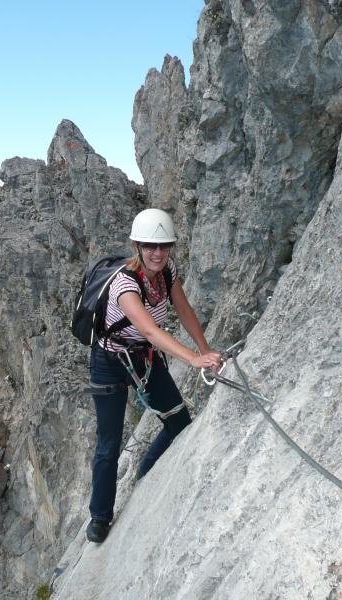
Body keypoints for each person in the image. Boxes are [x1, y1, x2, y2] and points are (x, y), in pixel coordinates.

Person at [86, 208, 222, 543]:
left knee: (178, 421)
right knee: (109, 443)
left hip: (144, 359)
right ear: (136, 246)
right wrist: (193, 359)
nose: (157, 253)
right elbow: (148, 329)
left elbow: (184, 309)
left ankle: (147, 475)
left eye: (163, 246)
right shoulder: (125, 284)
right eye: (150, 246)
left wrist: (205, 350)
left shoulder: (167, 272)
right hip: (110, 361)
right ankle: (100, 516)